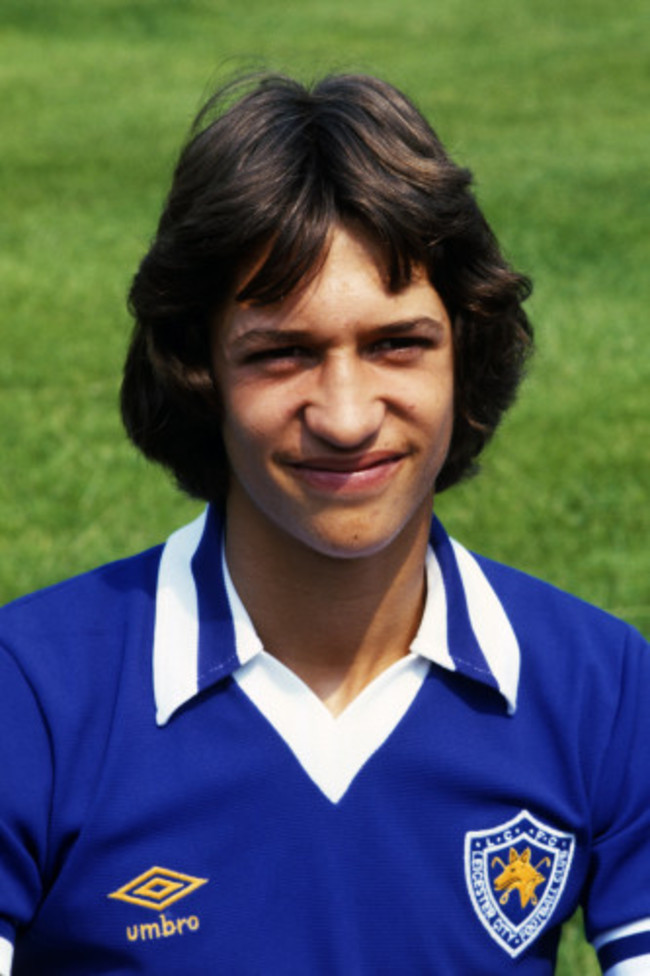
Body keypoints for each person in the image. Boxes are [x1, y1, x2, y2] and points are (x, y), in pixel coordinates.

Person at [0, 72, 648, 976]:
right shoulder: (30, 694)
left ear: (466, 353)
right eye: (282, 353)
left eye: (397, 344)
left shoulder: (604, 689)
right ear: (199, 372)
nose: (346, 416)